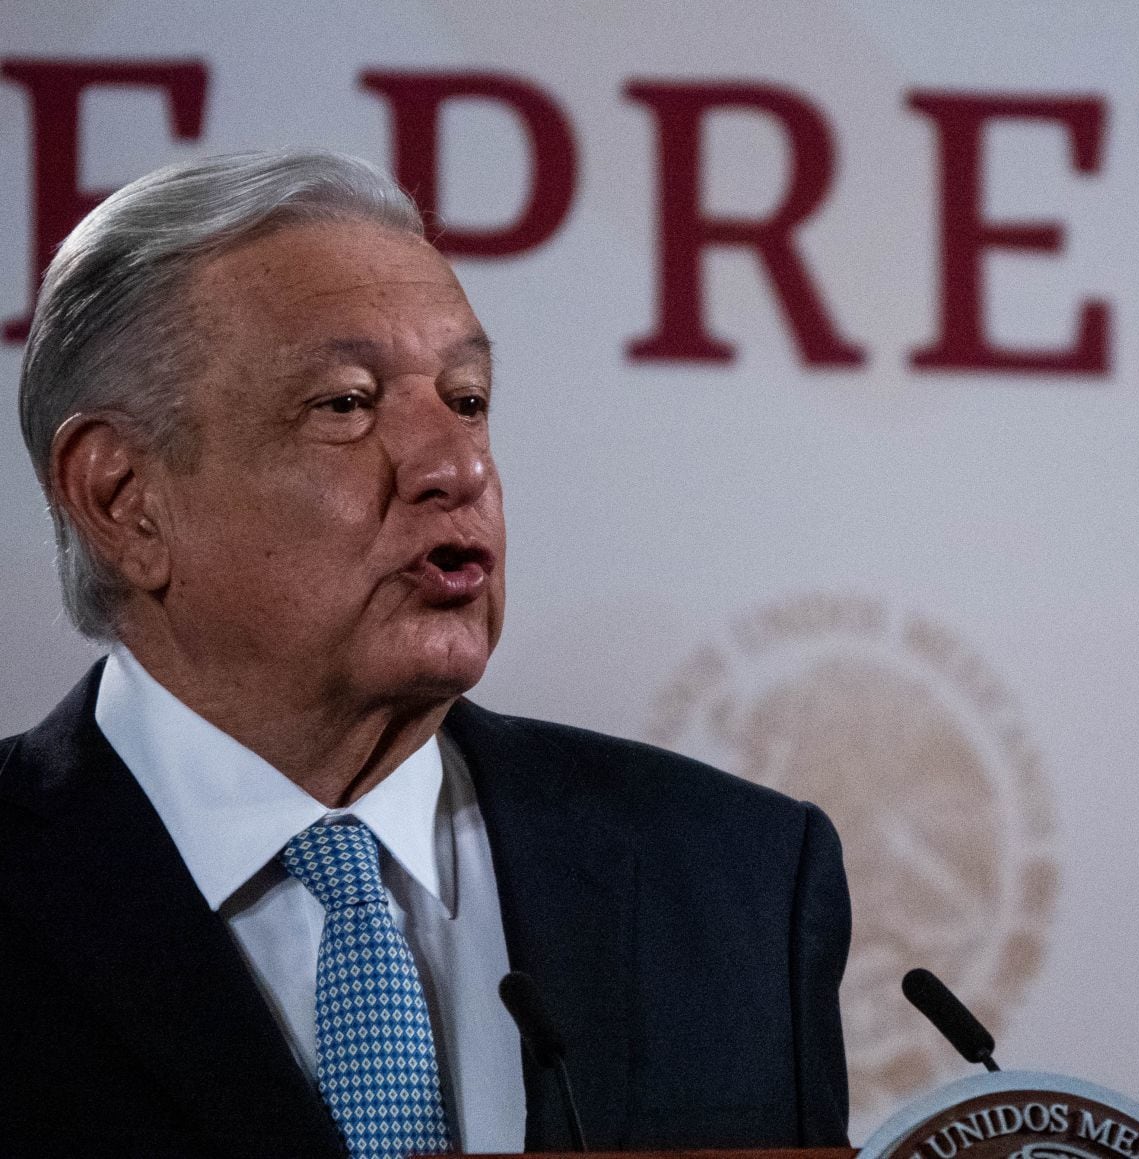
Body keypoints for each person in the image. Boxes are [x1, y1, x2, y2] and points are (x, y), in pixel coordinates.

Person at [0, 149, 851, 1158]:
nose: (459, 466)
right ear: (121, 497)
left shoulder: (733, 877)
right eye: (346, 403)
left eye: (467, 397)